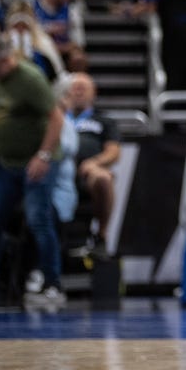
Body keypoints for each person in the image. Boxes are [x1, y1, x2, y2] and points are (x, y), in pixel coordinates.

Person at [0, 34, 67, 308]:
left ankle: (53, 286)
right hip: (6, 163)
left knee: (38, 220)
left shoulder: (30, 77)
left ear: (3, 60)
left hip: (38, 161)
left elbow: (56, 118)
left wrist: (43, 156)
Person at [65, 72, 121, 251]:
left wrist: (95, 162)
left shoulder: (103, 120)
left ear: (93, 93)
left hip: (86, 171)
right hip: (59, 169)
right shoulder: (57, 118)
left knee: (104, 178)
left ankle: (101, 235)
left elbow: (114, 151)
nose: (79, 92)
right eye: (75, 88)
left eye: (83, 88)